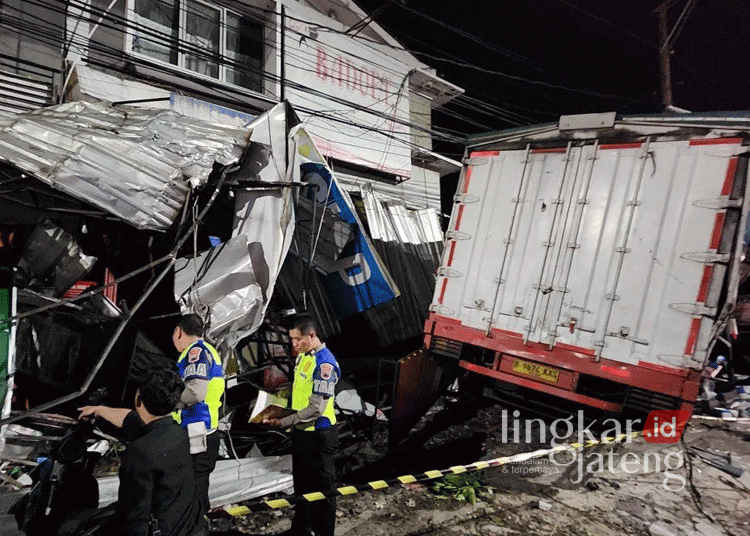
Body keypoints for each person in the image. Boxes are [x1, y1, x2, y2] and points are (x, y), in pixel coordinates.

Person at [79, 369, 205, 536]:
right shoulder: (178, 432)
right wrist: (99, 410)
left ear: (138, 400)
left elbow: (134, 516)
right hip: (183, 524)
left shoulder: (140, 453)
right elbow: (129, 418)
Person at [263, 315, 341, 536]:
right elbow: (300, 395)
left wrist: (285, 420)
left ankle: (324, 532)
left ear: (312, 335)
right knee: (302, 487)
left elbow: (316, 407)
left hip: (319, 434)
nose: (294, 345)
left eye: (298, 339)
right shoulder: (304, 357)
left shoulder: (324, 363)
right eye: (291, 340)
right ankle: (301, 530)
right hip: (301, 432)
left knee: (324, 491)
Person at [171, 314, 225, 519]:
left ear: (178, 331)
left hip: (196, 429)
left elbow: (195, 392)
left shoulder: (195, 352)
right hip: (203, 429)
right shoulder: (209, 350)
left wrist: (169, 405)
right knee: (196, 488)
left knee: (192, 491)